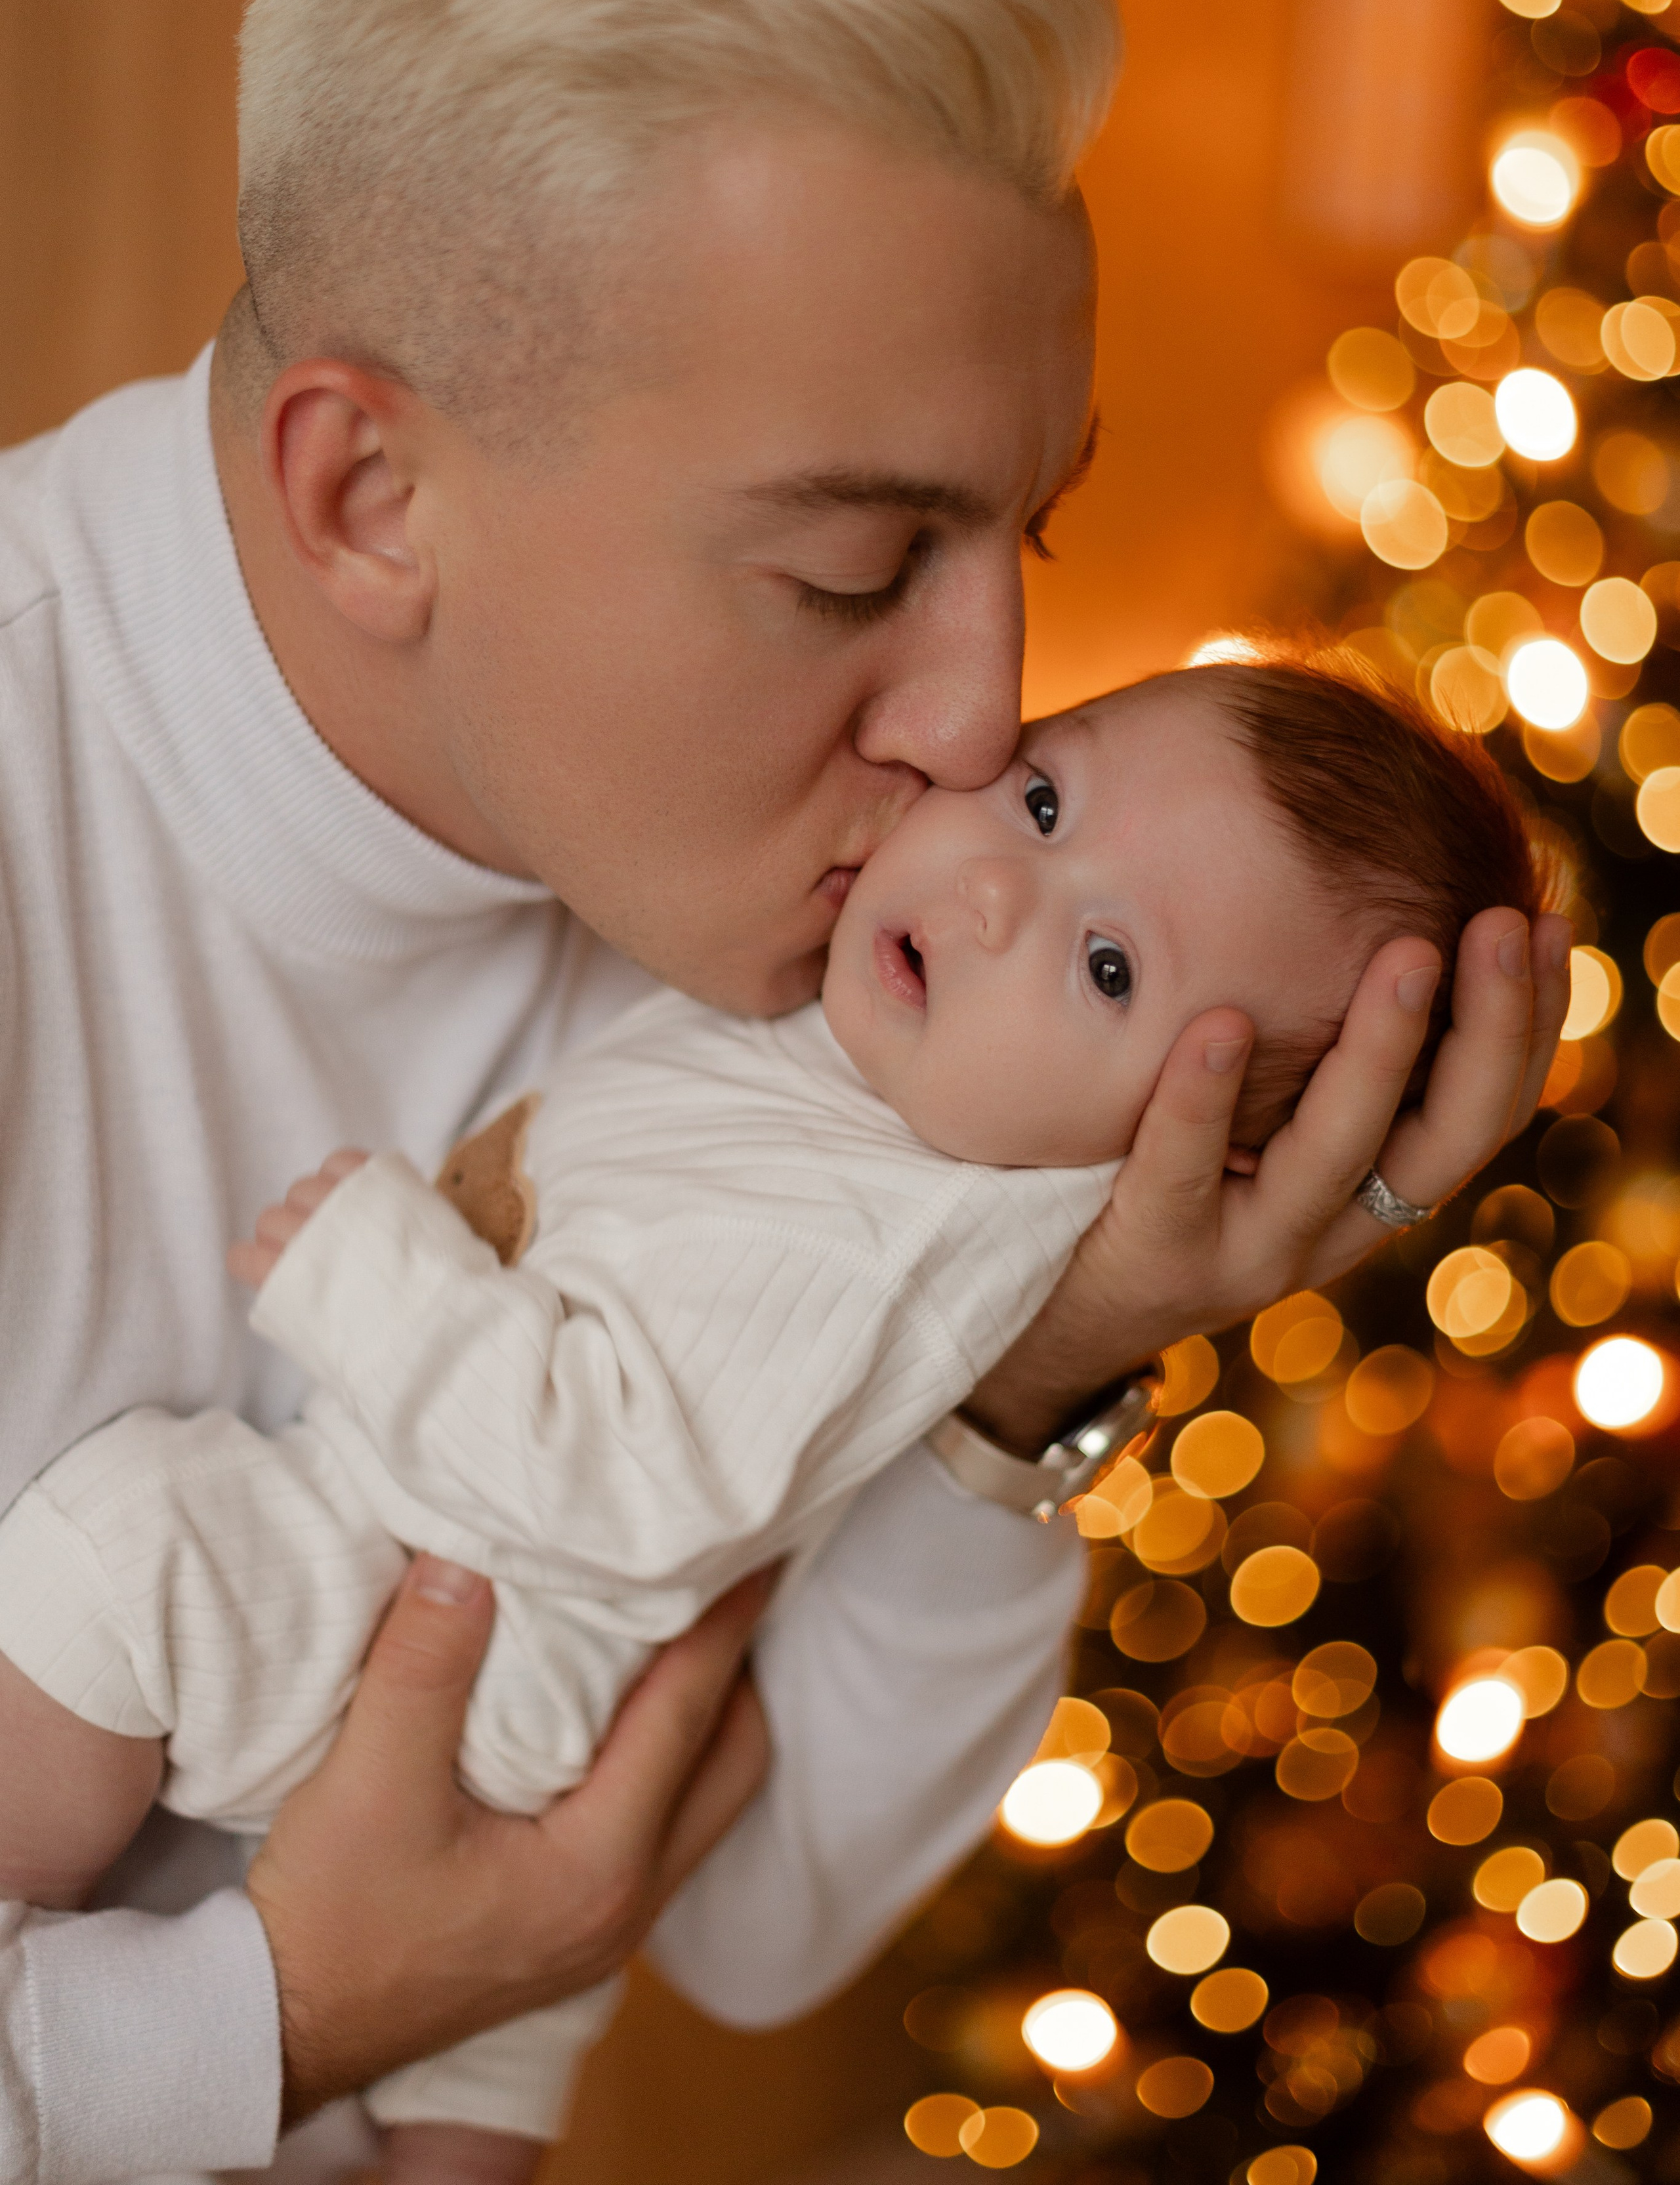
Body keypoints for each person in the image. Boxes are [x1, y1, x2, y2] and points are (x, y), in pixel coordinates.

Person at [0, 0, 1568, 2185]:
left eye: (1021, 541)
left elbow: (744, 1924)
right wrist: (278, 2013)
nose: (978, 716)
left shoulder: (841, 943)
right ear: (369, 495)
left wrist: (1038, 1351)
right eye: (853, 572)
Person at [0, 650, 1560, 2176]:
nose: (990, 894)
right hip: (524, 1696)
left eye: (1108, 968)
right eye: (1036, 800)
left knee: (120, 1555)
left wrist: (371, 1277)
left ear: (1189, 1152)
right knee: (488, 2045)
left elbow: (617, 1482)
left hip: (453, 1603)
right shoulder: (874, 1060)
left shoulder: (872, 1231)